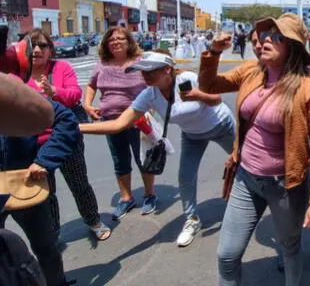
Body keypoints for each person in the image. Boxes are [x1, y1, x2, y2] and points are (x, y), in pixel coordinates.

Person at [199, 13, 310, 286]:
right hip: (246, 179)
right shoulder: (252, 71)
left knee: (290, 246)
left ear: (293, 46)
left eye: (278, 36)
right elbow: (209, 85)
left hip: (286, 186)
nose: (266, 40)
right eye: (266, 35)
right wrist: (213, 53)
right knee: (227, 255)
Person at [79, 50, 236, 247]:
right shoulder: (149, 95)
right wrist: (78, 128)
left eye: (150, 70)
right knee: (185, 177)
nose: (144, 75)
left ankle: (257, 203)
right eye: (142, 71)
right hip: (192, 135)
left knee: (247, 166)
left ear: (167, 69)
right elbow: (118, 124)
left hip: (221, 126)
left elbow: (217, 100)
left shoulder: (187, 79)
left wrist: (199, 95)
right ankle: (192, 220)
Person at [249, 28, 310, 274]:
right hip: (268, 168)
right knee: (286, 218)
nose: (260, 45)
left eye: (264, 40)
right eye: (255, 42)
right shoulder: (257, 75)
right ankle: (287, 247)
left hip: (299, 157)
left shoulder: (301, 74)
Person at [25, 28, 110, 241]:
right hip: (35, 143)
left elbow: (74, 96)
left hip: (65, 140)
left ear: (50, 49)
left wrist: (54, 92)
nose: (37, 50)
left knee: (79, 183)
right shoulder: (18, 73)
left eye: (42, 45)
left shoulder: (61, 67)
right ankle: (52, 235)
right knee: (46, 194)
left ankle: (93, 220)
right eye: (32, 45)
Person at [0, 99, 80, 286]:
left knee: (46, 247)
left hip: (25, 182)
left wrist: (46, 159)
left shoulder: (11, 92)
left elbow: (65, 119)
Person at [83, 26, 158, 220]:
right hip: (110, 119)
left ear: (129, 42)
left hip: (137, 118)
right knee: (120, 160)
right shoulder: (102, 64)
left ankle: (150, 194)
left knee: (143, 158)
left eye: (120, 38)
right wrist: (87, 105)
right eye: (111, 39)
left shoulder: (140, 62)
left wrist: (150, 106)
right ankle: (126, 198)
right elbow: (91, 85)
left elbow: (154, 84)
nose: (115, 42)